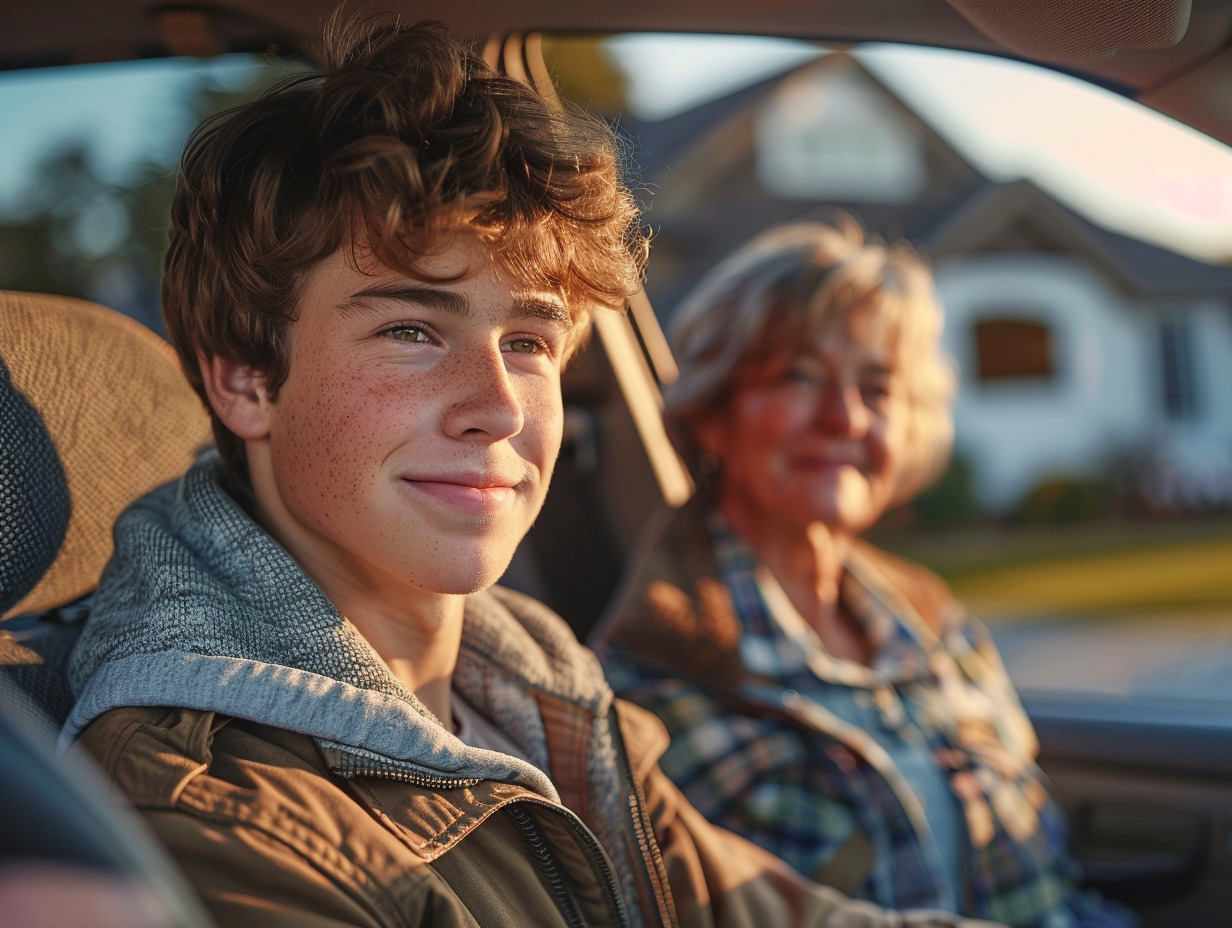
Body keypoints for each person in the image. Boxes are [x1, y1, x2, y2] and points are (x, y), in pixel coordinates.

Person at [58, 12, 998, 928]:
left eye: (530, 340)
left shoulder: (538, 686)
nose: (500, 406)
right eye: (412, 331)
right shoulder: (214, 825)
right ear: (246, 380)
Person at [591, 222, 1134, 928]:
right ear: (713, 414)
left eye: (876, 388)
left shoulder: (941, 630)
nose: (843, 417)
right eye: (798, 377)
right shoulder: (647, 683)